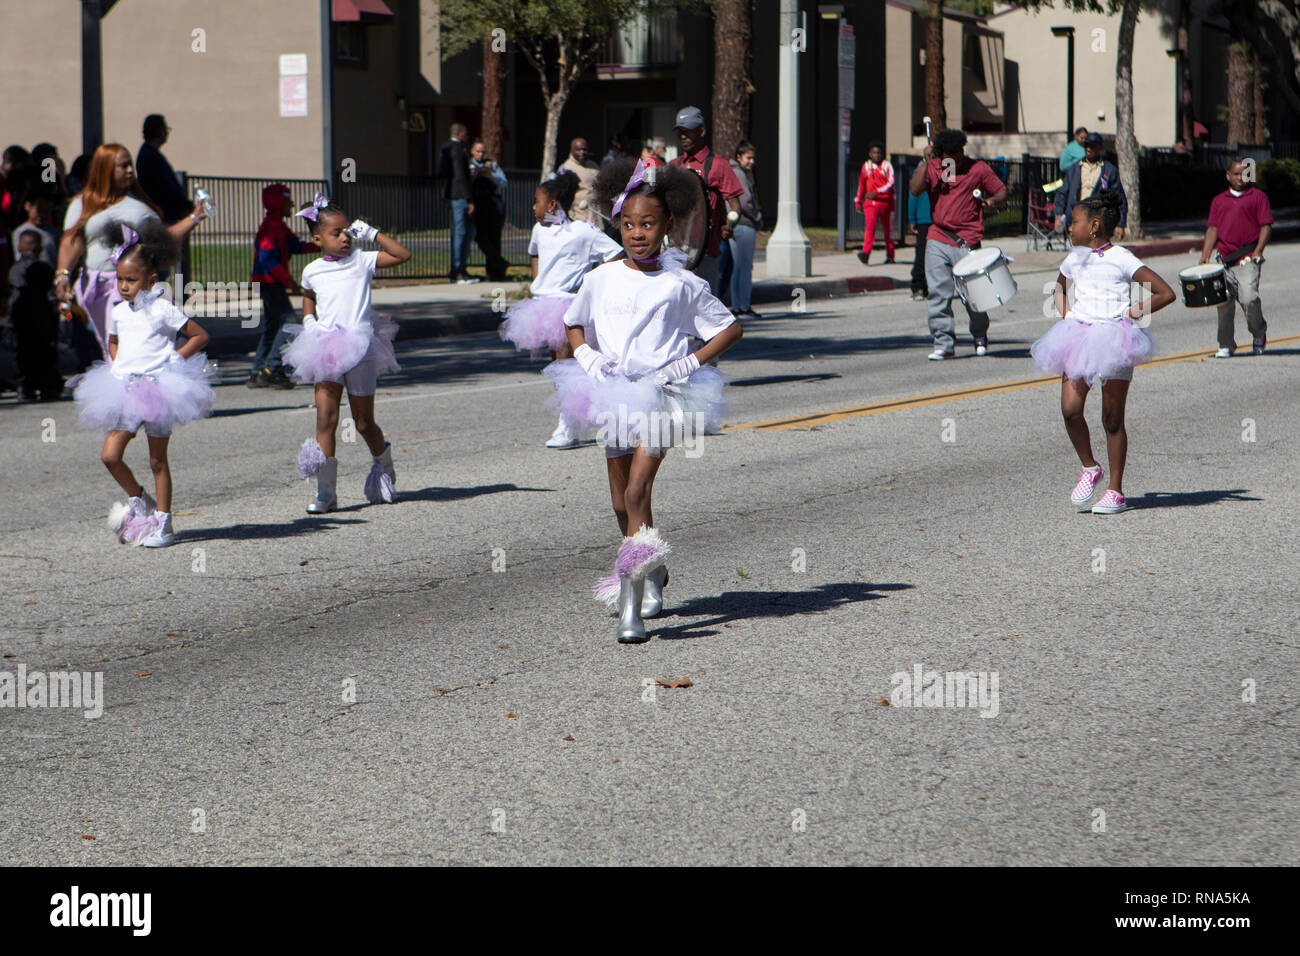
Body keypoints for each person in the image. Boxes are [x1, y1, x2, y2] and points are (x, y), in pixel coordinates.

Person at [542, 158, 743, 642]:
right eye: (628, 224)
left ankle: (629, 605)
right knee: (620, 502)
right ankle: (651, 569)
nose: (637, 233)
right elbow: (573, 322)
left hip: (662, 395)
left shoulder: (682, 284)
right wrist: (588, 358)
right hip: (610, 392)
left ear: (667, 225)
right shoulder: (601, 277)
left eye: (648, 224)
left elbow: (730, 328)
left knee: (637, 492)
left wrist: (687, 364)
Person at [1031, 191, 1175, 516]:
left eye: (1076, 222)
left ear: (1094, 226)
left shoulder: (1122, 258)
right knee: (1070, 409)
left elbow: (1165, 292)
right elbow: (1058, 288)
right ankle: (1089, 467)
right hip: (1079, 335)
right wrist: (1068, 316)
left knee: (1111, 419)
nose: (1069, 227)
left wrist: (1132, 313)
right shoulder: (1074, 258)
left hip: (1114, 337)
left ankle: (1116, 490)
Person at [72, 221, 215, 548]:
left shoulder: (163, 308)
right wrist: (117, 365)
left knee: (157, 460)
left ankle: (164, 522)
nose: (123, 286)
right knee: (110, 455)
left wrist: (175, 360)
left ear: (151, 280)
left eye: (131, 280)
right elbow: (112, 341)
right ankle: (140, 499)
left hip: (158, 389)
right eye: (120, 279)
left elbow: (199, 336)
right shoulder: (119, 312)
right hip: (126, 389)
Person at [284, 196, 412, 514]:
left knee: (363, 422)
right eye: (336, 232)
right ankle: (326, 492)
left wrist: (372, 233)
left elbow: (402, 255)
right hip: (325, 348)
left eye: (348, 231)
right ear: (317, 239)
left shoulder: (362, 260)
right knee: (326, 418)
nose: (345, 237)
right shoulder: (312, 271)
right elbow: (309, 297)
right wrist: (309, 321)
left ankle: (384, 463)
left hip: (360, 347)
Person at [498, 171, 625, 448]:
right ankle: (582, 414)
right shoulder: (539, 230)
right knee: (560, 365)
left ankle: (568, 424)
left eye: (537, 201)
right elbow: (534, 253)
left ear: (553, 204)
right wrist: (537, 280)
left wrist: (592, 285)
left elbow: (616, 254)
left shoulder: (582, 231)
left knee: (567, 363)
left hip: (569, 304)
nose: (534, 207)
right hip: (542, 307)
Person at [56, 143, 207, 358]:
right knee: (108, 345)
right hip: (94, 287)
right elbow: (71, 241)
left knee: (125, 347)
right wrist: (62, 275)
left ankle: (134, 384)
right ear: (105, 168)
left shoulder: (139, 208)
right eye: (123, 165)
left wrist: (195, 217)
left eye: (130, 165)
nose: (130, 170)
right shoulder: (83, 204)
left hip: (130, 285)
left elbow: (164, 238)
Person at [908, 127, 1008, 360]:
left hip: (967, 241)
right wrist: (926, 161)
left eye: (959, 153)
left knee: (974, 294)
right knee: (938, 293)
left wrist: (992, 201)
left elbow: (1002, 192)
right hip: (938, 237)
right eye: (950, 155)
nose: (956, 159)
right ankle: (943, 343)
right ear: (941, 155)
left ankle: (979, 335)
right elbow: (915, 189)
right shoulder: (935, 168)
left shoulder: (978, 168)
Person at [1199, 157, 1272, 358]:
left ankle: (1259, 333)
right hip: (1223, 260)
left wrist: (1258, 251)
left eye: (1245, 173)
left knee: (1249, 298)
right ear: (1228, 176)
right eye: (1237, 174)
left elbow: (1265, 225)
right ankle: (1226, 344)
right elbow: (1212, 228)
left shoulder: (1257, 197)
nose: (1241, 178)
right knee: (1223, 303)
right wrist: (1205, 254)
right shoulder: (1219, 200)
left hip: (1247, 259)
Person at [249, 182, 319, 388]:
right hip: (269, 283)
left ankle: (257, 370)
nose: (292, 205)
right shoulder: (270, 227)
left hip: (271, 283)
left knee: (273, 326)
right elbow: (268, 259)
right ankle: (272, 368)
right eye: (288, 201)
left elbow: (294, 246)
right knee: (290, 321)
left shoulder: (278, 225)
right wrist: (289, 281)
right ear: (279, 203)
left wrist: (319, 245)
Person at [670, 106, 743, 286]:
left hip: (706, 250)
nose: (682, 137)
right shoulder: (673, 166)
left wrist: (730, 225)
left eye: (687, 132)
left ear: (701, 131)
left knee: (705, 306)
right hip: (675, 250)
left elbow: (735, 206)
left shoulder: (719, 165)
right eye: (680, 132)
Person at [8, 230, 62, 400]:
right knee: (44, 353)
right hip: (40, 319)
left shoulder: (15, 269)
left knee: (25, 354)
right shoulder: (42, 268)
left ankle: (28, 387)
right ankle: (42, 387)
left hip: (24, 320)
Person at [716, 140, 761, 315]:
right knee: (745, 267)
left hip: (735, 225)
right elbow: (744, 202)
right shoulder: (739, 174)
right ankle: (744, 306)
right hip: (744, 224)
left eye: (753, 158)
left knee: (738, 267)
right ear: (739, 157)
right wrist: (757, 218)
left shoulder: (733, 171)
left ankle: (737, 305)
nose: (752, 162)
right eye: (748, 158)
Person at [1054, 133, 1126, 241]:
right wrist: (1058, 214)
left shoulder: (1109, 171)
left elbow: (1119, 198)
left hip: (1098, 221)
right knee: (1079, 254)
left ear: (1100, 147)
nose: (1088, 149)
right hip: (1076, 220)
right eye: (1086, 145)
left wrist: (1120, 224)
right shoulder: (1074, 169)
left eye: (1092, 146)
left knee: (1095, 254)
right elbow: (1062, 193)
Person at [436, 123, 477, 284]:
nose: (466, 137)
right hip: (460, 195)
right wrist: (469, 199)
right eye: (465, 133)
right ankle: (458, 270)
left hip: (450, 194)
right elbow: (460, 175)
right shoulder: (458, 149)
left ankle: (458, 269)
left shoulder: (445, 148)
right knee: (461, 233)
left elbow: (442, 172)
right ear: (459, 133)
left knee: (458, 232)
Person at [135, 115, 192, 224]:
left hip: (162, 213)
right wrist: (184, 204)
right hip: (162, 215)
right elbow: (166, 186)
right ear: (160, 131)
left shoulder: (149, 153)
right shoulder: (150, 156)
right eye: (166, 129)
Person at [469, 140, 510, 281]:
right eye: (478, 151)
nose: (480, 154)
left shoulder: (491, 165)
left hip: (493, 204)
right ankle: (500, 263)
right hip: (477, 204)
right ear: (472, 152)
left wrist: (490, 176)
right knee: (480, 236)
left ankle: (495, 273)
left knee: (494, 238)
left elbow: (504, 182)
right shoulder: (469, 165)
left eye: (482, 151)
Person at [854, 142, 896, 265]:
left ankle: (890, 255)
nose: (876, 155)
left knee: (889, 231)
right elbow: (861, 185)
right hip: (870, 204)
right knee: (870, 229)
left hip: (887, 203)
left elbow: (890, 183)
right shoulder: (866, 167)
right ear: (870, 154)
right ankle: (866, 253)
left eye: (879, 153)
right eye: (874, 153)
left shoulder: (887, 166)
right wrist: (858, 201)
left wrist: (876, 192)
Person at [560, 138, 601, 225]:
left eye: (584, 149)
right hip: (577, 216)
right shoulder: (566, 168)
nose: (582, 152)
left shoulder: (594, 166)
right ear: (571, 150)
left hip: (595, 215)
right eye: (578, 150)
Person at [13, 193, 61, 267]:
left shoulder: (55, 232)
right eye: (39, 210)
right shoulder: (20, 232)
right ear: (28, 206)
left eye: (46, 211)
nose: (42, 215)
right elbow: (19, 258)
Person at [907, 187, 931, 301]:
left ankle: (925, 286)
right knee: (922, 254)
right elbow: (914, 193)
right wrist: (912, 218)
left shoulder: (948, 169)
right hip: (925, 219)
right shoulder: (922, 169)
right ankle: (919, 286)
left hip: (940, 218)